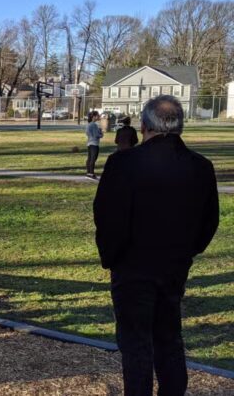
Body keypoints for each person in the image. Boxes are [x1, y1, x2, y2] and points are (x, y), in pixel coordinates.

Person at [93, 95, 219, 396]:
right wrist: (187, 251)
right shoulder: (200, 167)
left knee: (136, 345)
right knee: (169, 340)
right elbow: (209, 220)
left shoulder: (124, 163)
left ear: (145, 126)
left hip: (133, 266)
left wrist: (113, 256)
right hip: (174, 265)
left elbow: (108, 215)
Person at [85, 110, 103, 179]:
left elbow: (87, 133)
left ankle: (88, 172)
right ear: (94, 117)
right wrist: (101, 133)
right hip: (94, 144)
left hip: (89, 143)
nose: (98, 117)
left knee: (89, 158)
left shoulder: (89, 124)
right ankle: (91, 173)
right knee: (93, 159)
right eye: (97, 115)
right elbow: (97, 135)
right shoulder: (94, 125)